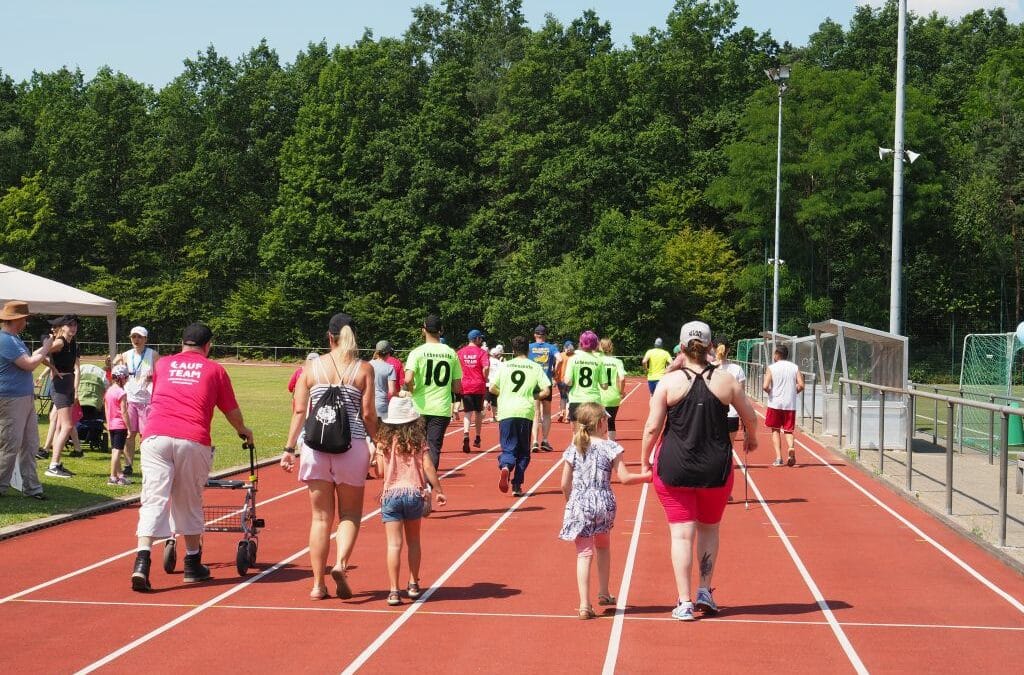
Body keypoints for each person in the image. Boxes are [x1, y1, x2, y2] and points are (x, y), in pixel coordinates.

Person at [640, 321, 758, 621]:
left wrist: (644, 459)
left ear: (681, 348)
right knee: (709, 529)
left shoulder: (669, 382)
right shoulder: (726, 380)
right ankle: (704, 589)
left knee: (681, 535)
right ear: (709, 347)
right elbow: (750, 416)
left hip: (673, 466)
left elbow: (653, 426)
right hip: (715, 468)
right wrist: (752, 438)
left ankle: (684, 601)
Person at [131, 322, 254, 592]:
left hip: (155, 435)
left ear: (182, 342)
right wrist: (243, 431)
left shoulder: (163, 364)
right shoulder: (215, 370)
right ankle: (192, 563)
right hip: (191, 437)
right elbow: (230, 410)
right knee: (189, 501)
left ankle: (141, 560)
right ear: (208, 345)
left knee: (153, 498)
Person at [279, 313, 377, 600]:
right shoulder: (364, 369)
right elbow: (369, 414)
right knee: (349, 514)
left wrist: (288, 449)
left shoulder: (310, 367)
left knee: (320, 518)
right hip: (352, 445)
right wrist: (380, 440)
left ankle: (317, 585)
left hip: (316, 447)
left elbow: (299, 410)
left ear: (329, 336)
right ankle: (341, 564)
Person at [559, 402, 651, 619]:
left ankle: (584, 604)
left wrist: (570, 502)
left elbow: (564, 483)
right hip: (603, 501)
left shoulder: (574, 447)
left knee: (583, 553)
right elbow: (625, 478)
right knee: (603, 546)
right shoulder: (612, 447)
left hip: (580, 502)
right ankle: (604, 592)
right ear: (601, 423)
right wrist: (648, 477)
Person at [373, 394, 446, 606]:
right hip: (414, 493)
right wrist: (439, 489)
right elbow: (428, 466)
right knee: (414, 541)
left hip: (391, 495)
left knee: (394, 545)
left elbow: (379, 472)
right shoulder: (419, 441)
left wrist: (377, 456)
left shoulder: (384, 442)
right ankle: (413, 583)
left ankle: (394, 591)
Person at [0, 301, 53, 500]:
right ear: (18, 320)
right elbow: (29, 364)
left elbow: (30, 358)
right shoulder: (5, 340)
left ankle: (32, 487)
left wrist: (44, 348)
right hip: (11, 399)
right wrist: (47, 347)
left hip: (24, 398)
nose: (26, 323)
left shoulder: (14, 339)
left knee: (31, 444)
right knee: (10, 444)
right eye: (25, 319)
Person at [491, 336, 550, 498]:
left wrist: (504, 393)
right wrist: (534, 396)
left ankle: (506, 466)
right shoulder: (535, 367)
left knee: (508, 446)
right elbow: (547, 391)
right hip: (525, 412)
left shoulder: (505, 366)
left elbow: (492, 388)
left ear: (513, 349)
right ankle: (517, 484)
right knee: (524, 451)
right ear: (528, 350)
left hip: (506, 411)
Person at [404, 315, 461, 471]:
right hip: (441, 408)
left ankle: (415, 479)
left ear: (423, 330)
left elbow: (408, 378)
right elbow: (457, 388)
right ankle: (429, 483)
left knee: (416, 446)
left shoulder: (417, 352)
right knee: (433, 447)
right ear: (441, 330)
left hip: (419, 407)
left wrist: (412, 390)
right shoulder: (451, 353)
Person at [113, 326, 159, 477]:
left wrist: (154, 377)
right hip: (130, 399)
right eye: (134, 337)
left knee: (146, 435)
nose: (136, 340)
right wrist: (114, 363)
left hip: (147, 400)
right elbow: (116, 374)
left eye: (139, 337)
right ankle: (128, 465)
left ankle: (147, 465)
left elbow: (161, 375)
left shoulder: (153, 355)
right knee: (129, 433)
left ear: (145, 339)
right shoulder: (125, 355)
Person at [44, 315, 81, 477]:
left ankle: (56, 463)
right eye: (70, 325)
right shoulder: (60, 342)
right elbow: (41, 353)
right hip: (60, 385)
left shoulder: (73, 343)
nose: (73, 327)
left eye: (75, 325)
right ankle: (53, 466)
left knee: (62, 425)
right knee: (67, 426)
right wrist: (52, 367)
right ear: (63, 327)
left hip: (68, 383)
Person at [763, 344, 804, 467]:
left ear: (777, 355)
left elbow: (765, 386)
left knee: (775, 430)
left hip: (775, 403)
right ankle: (791, 448)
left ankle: (779, 458)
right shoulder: (795, 367)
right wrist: (793, 392)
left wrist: (770, 392)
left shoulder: (771, 367)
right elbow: (801, 385)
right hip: (789, 404)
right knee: (788, 430)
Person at [564, 330, 607, 428]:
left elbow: (568, 381)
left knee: (577, 434)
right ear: (595, 344)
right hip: (593, 400)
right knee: (593, 434)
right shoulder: (599, 361)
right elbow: (604, 385)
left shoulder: (573, 359)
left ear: (581, 343)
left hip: (576, 400)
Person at [457, 329, 490, 453]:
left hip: (465, 385)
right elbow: (486, 367)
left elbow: (457, 368)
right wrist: (485, 376)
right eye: (480, 338)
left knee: (467, 412)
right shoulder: (482, 353)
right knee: (478, 413)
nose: (481, 340)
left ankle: (466, 434)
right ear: (476, 339)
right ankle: (477, 437)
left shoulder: (460, 352)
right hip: (478, 385)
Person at [528, 325, 559, 452]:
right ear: (545, 335)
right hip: (546, 382)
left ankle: (534, 441)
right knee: (546, 413)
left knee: (535, 413)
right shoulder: (551, 347)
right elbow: (560, 359)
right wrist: (554, 372)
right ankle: (545, 440)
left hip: (533, 382)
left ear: (535, 335)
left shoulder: (529, 347)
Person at [715, 341, 747, 445]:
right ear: (728, 350)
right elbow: (742, 396)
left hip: (712, 414)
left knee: (713, 448)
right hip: (732, 414)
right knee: (728, 447)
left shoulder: (707, 368)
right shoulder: (737, 369)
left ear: (713, 348)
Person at [105, 365, 131, 485]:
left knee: (115, 449)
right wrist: (129, 428)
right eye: (126, 377)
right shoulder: (122, 393)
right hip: (120, 425)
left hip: (112, 425)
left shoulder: (109, 391)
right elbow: (124, 412)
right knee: (117, 451)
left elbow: (106, 409)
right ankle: (112, 476)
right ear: (122, 378)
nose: (127, 380)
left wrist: (108, 422)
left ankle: (120, 475)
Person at [599, 338, 627, 442]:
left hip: (599, 396)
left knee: (598, 422)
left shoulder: (597, 361)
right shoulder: (617, 362)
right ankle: (611, 444)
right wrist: (621, 392)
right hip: (613, 396)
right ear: (611, 347)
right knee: (611, 421)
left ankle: (598, 443)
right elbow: (622, 379)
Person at [370, 342, 398, 420]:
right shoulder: (390, 368)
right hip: (382, 405)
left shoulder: (368, 365)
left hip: (368, 404)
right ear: (388, 353)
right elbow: (392, 392)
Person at [553, 341, 574, 423]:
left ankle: (562, 413)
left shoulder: (561, 355)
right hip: (571, 380)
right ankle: (567, 417)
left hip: (561, 379)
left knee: (563, 397)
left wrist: (555, 377)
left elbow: (556, 367)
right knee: (569, 398)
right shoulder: (575, 356)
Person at [484, 344, 504, 423]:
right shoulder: (499, 363)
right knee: (494, 401)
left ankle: (484, 410)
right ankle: (493, 416)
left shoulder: (487, 361)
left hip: (487, 383)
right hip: (495, 384)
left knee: (487, 398)